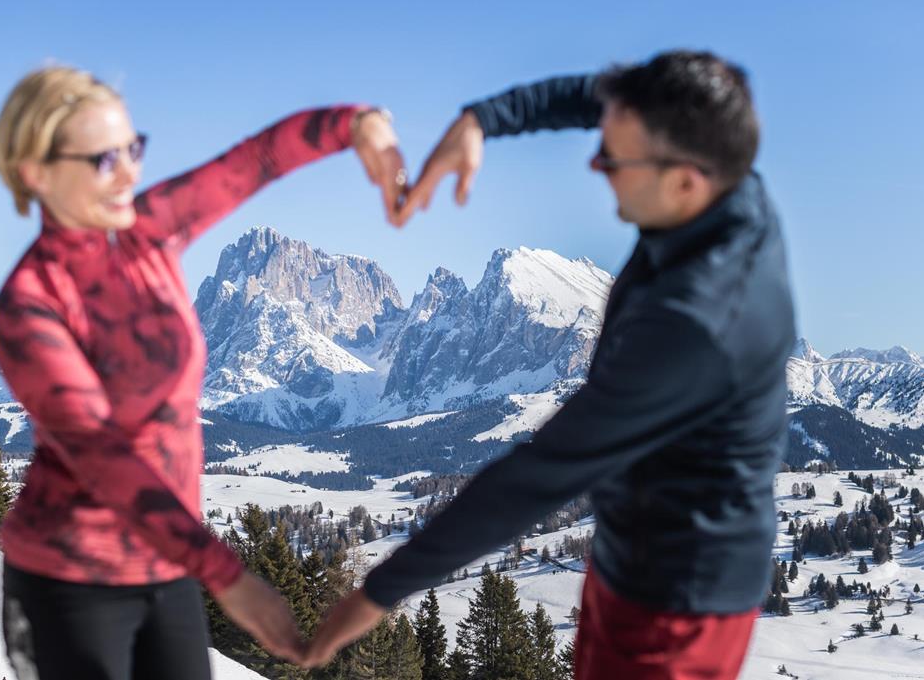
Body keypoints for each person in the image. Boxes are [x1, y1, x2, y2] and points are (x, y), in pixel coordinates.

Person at [302, 50, 796, 680]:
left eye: (613, 159)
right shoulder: (714, 168)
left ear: (684, 181)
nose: (596, 163)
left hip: (682, 605)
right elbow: (597, 99)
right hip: (629, 558)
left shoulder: (697, 323)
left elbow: (538, 477)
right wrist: (482, 120)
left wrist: (378, 592)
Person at [0, 65, 407, 680]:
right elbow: (104, 458)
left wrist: (357, 124)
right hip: (67, 581)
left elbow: (251, 162)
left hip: (167, 568)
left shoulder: (145, 232)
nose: (131, 173)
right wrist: (229, 577)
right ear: (36, 172)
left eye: (133, 148)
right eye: (104, 159)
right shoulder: (29, 306)